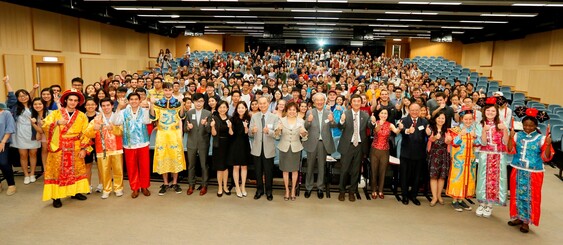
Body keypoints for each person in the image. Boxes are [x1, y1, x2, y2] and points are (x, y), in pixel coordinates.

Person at [507, 107, 553, 233]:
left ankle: (526, 221)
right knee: (516, 195)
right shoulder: (517, 135)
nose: (527, 128)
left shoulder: (541, 138)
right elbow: (510, 151)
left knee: (530, 197)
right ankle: (518, 217)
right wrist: (511, 138)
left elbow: (546, 157)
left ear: (535, 126)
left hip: (534, 173)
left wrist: (548, 145)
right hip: (518, 170)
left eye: (531, 126)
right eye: (525, 125)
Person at [42, 89, 90, 208]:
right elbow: (45, 125)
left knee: (76, 170)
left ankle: (75, 191)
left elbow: (86, 133)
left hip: (76, 146)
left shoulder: (82, 116)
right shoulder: (55, 113)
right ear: (66, 101)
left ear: (78, 102)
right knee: (57, 171)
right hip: (59, 147)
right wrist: (57, 123)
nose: (73, 102)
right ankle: (56, 196)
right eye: (70, 100)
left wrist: (84, 149)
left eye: (75, 100)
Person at [111, 93, 152, 198]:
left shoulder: (144, 110)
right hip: (129, 144)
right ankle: (135, 188)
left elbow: (147, 121)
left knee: (144, 166)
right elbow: (115, 122)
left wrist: (147, 107)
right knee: (131, 167)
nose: (134, 101)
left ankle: (144, 186)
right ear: (128, 101)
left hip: (143, 142)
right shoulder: (123, 112)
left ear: (139, 100)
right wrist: (119, 108)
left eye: (136, 99)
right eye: (131, 99)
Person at [149, 82, 186, 196]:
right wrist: (151, 104)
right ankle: (165, 183)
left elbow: (181, 116)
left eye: (170, 90)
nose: (168, 92)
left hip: (174, 134)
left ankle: (174, 183)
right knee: (163, 158)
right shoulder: (159, 103)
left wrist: (182, 103)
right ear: (163, 91)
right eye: (166, 90)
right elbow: (153, 116)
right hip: (162, 134)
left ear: (172, 91)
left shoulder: (177, 102)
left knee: (175, 157)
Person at [475, 98, 509, 217]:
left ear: (496, 112)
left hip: (498, 156)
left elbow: (505, 142)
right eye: (488, 111)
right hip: (485, 155)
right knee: (483, 179)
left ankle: (490, 205)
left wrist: (504, 129)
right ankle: (481, 203)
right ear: (484, 112)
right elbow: (483, 143)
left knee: (495, 180)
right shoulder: (480, 125)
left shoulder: (501, 124)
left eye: (493, 111)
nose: (490, 113)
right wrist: (484, 131)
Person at [4, 76, 41, 185]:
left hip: (33, 132)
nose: (23, 97)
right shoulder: (14, 106)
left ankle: (32, 173)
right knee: (23, 155)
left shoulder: (34, 105)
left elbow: (31, 95)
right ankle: (26, 174)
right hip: (20, 133)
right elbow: (11, 95)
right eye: (20, 96)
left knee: (33, 154)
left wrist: (34, 89)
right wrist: (7, 82)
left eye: (24, 95)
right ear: (17, 98)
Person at [86, 98, 124, 199]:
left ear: (112, 106)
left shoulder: (117, 117)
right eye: (103, 106)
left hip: (116, 147)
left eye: (108, 105)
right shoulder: (97, 119)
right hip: (101, 149)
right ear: (101, 107)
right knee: (104, 170)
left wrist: (114, 128)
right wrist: (94, 129)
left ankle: (118, 188)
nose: (106, 108)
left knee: (118, 169)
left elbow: (122, 132)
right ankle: (106, 189)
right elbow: (87, 133)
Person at [447, 107, 482, 212]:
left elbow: (477, 145)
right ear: (461, 119)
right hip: (459, 160)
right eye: (466, 119)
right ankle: (454, 200)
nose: (468, 121)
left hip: (470, 159)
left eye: (470, 119)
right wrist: (460, 136)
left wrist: (476, 137)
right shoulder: (456, 130)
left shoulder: (474, 130)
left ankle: (462, 199)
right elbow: (454, 144)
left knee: (468, 179)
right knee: (458, 178)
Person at [337, 94, 371, 202]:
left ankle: (352, 191)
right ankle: (342, 191)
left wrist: (374, 122)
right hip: (347, 146)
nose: (356, 103)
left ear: (361, 103)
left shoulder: (365, 115)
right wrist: (342, 121)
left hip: (360, 146)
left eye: (358, 101)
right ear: (351, 103)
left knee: (356, 171)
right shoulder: (345, 113)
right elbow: (340, 127)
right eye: (354, 101)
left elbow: (370, 126)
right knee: (344, 170)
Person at [302, 93, 336, 199]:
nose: (319, 102)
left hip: (323, 143)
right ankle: (308, 187)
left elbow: (334, 125)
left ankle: (320, 188)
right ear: (314, 101)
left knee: (321, 167)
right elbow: (305, 127)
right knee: (310, 166)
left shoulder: (329, 112)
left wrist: (332, 120)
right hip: (312, 142)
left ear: (324, 101)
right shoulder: (309, 112)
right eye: (317, 100)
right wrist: (308, 121)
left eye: (321, 100)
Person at [248, 97, 279, 201]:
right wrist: (252, 131)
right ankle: (259, 190)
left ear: (268, 103)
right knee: (257, 172)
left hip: (268, 149)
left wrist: (268, 132)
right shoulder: (254, 116)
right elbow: (249, 133)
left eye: (264, 103)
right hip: (256, 149)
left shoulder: (274, 117)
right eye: (260, 104)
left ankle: (269, 191)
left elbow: (277, 134)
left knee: (268, 172)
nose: (262, 105)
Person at [275, 102, 307, 201]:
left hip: (296, 148)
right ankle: (286, 190)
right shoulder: (281, 120)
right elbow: (276, 136)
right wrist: (278, 130)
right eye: (290, 110)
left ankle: (293, 190)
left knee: (294, 170)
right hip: (284, 148)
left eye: (294, 110)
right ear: (286, 111)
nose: (292, 112)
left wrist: (304, 133)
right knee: (285, 171)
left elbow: (305, 138)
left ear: (296, 111)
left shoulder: (301, 121)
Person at [398, 102, 429, 205]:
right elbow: (401, 130)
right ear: (409, 111)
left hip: (419, 154)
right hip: (406, 154)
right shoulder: (404, 120)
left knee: (417, 176)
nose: (414, 112)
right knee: (404, 176)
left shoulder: (424, 122)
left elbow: (427, 134)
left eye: (417, 110)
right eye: (412, 110)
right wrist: (407, 130)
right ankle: (405, 195)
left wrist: (429, 132)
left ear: (419, 111)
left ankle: (414, 195)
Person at [369, 108, 401, 200]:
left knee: (383, 171)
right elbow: (375, 131)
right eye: (382, 113)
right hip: (374, 149)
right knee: (374, 170)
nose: (384, 115)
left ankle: (381, 190)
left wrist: (400, 127)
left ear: (387, 115)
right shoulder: (375, 122)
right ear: (379, 115)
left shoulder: (390, 124)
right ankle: (373, 190)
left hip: (385, 150)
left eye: (385, 113)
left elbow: (396, 132)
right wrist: (379, 123)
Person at [185, 93, 212, 196]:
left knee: (204, 165)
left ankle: (204, 185)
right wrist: (188, 127)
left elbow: (210, 130)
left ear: (204, 102)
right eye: (196, 101)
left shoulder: (208, 113)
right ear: (193, 102)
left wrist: (206, 124)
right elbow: (185, 129)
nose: (198, 103)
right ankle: (191, 185)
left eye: (201, 101)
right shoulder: (189, 113)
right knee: (191, 165)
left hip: (203, 143)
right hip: (191, 142)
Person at [426, 111, 452, 206]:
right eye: (439, 118)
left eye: (443, 118)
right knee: (433, 176)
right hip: (434, 155)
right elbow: (429, 138)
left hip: (444, 155)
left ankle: (439, 195)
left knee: (442, 177)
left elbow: (450, 143)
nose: (441, 120)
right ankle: (434, 197)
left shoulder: (448, 131)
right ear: (435, 118)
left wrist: (449, 140)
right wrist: (434, 138)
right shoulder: (430, 128)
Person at [228, 101, 252, 198]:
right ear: (236, 109)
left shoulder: (249, 118)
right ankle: (237, 187)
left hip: (245, 145)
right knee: (236, 167)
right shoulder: (233, 119)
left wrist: (246, 128)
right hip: (234, 145)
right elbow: (231, 134)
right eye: (239, 108)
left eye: (242, 107)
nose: (240, 109)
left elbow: (248, 134)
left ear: (246, 109)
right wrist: (229, 127)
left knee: (244, 167)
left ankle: (243, 187)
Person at [211, 101, 233, 197]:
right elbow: (214, 134)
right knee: (220, 168)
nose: (222, 109)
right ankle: (220, 187)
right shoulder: (214, 118)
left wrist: (230, 127)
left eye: (224, 107)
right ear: (218, 108)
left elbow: (231, 133)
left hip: (228, 145)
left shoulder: (230, 118)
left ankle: (225, 187)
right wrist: (212, 126)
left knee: (226, 167)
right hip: (218, 145)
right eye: (220, 107)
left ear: (227, 108)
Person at [82, 98, 99, 193]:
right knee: (87, 165)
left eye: (92, 104)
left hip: (99, 143)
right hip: (86, 143)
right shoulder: (82, 117)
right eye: (88, 105)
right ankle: (88, 185)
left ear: (96, 106)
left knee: (100, 164)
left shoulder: (100, 116)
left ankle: (102, 184)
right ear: (85, 106)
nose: (90, 106)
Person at [0, 102, 16, 196]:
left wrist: (3, 142)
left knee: (3, 162)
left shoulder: (6, 113)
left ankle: (11, 185)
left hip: (3, 142)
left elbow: (10, 128)